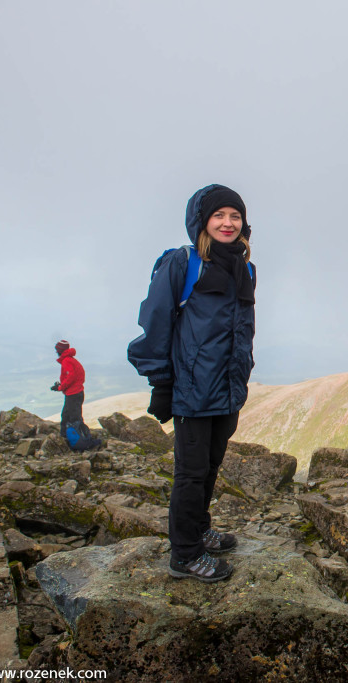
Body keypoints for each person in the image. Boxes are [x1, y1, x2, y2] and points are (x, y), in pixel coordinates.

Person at [128, 184, 256, 583]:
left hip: (228, 390)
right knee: (191, 472)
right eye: (220, 215)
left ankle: (200, 530)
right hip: (192, 389)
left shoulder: (245, 268)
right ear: (203, 222)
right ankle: (184, 554)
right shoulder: (183, 264)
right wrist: (162, 382)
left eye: (235, 216)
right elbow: (155, 321)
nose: (228, 223)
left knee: (211, 465)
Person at [51, 340, 86, 431]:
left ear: (60, 351)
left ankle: (76, 440)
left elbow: (71, 377)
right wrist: (61, 386)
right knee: (72, 416)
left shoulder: (67, 361)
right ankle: (76, 439)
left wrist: (60, 387)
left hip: (73, 394)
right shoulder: (71, 360)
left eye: (57, 350)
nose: (56, 352)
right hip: (77, 392)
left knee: (71, 418)